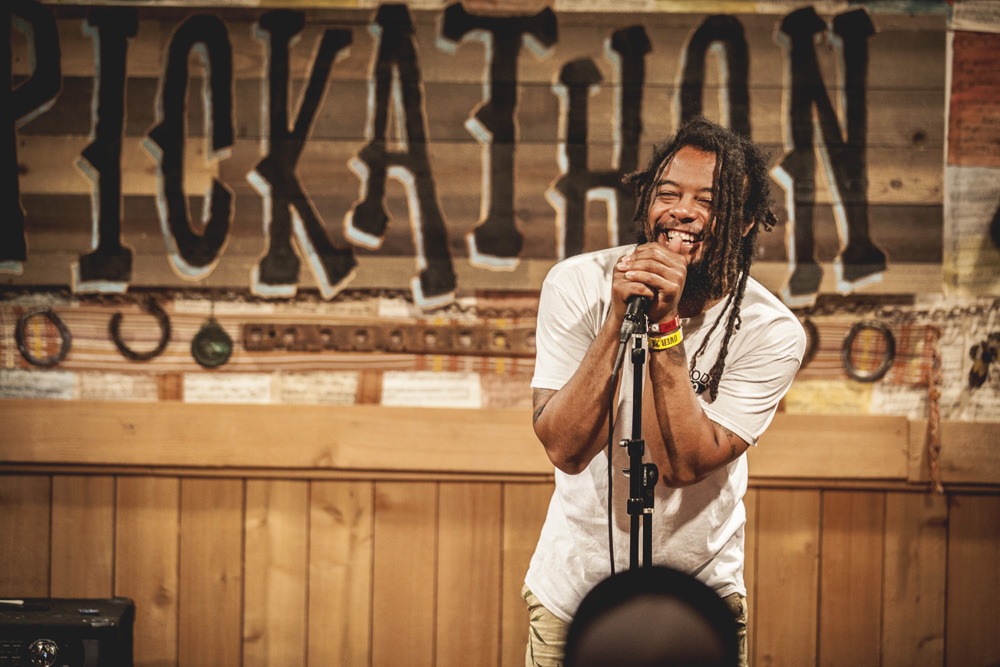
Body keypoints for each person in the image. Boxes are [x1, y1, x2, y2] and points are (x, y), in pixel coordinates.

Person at [524, 117, 806, 667]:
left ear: (746, 223)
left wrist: (664, 326)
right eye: (668, 193)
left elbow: (683, 462)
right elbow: (565, 448)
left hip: (697, 599)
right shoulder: (577, 283)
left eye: (710, 200)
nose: (682, 210)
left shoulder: (771, 329)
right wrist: (615, 320)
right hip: (572, 592)